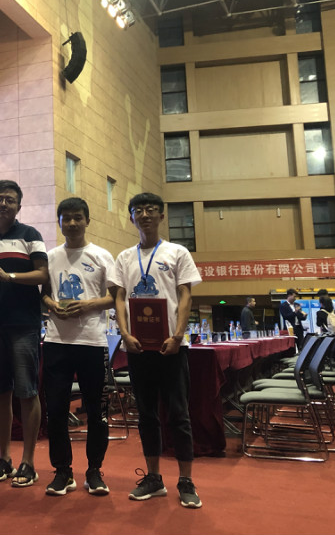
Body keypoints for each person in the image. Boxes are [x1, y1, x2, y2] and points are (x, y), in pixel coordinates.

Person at [109, 192, 203, 509]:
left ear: (161, 216)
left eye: (151, 210)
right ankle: (153, 478)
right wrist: (124, 334)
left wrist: (178, 335)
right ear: (131, 217)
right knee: (146, 415)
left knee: (179, 414)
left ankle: (186, 481)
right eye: (139, 210)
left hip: (172, 347)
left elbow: (185, 295)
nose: (145, 215)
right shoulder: (124, 257)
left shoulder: (177, 252)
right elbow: (119, 298)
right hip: (138, 348)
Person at [0, 179, 49, 488]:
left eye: (9, 200)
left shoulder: (30, 235)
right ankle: (4, 457)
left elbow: (42, 274)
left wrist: (10, 276)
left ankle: (28, 461)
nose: (3, 204)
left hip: (24, 325)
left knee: (27, 391)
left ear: (18, 206)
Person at [41, 197, 115, 497]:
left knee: (96, 411)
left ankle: (94, 470)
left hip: (92, 342)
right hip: (56, 342)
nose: (72, 223)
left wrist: (86, 305)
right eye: (66, 218)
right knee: (56, 410)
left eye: (77, 217)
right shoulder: (50, 257)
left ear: (87, 220)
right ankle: (62, 471)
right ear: (59, 222)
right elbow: (43, 294)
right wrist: (52, 306)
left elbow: (114, 297)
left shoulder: (101, 255)